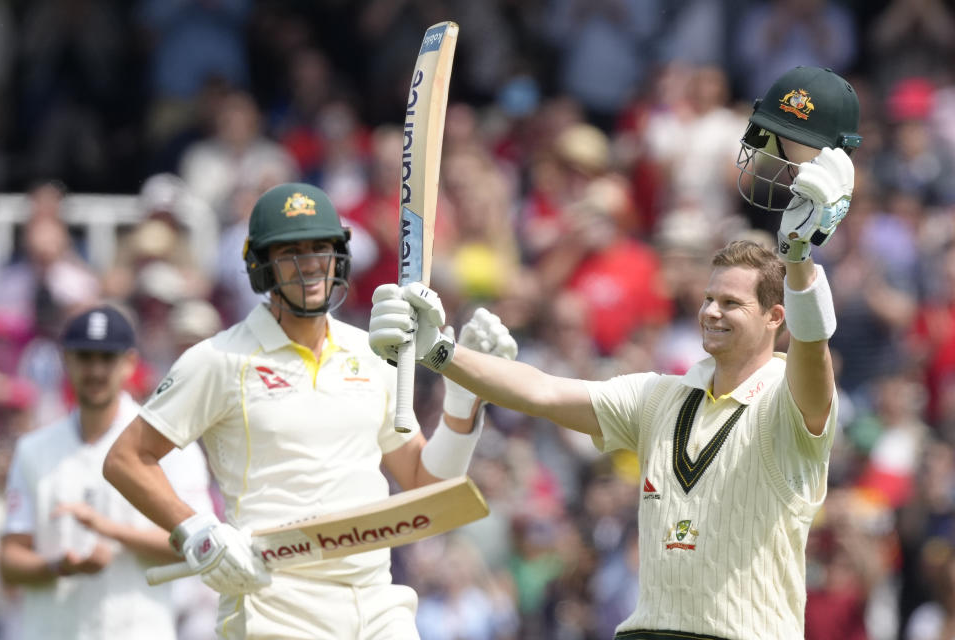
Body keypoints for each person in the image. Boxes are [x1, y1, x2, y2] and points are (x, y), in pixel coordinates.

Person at [369, 66, 861, 640]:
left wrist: (798, 254)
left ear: (775, 319)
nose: (710, 312)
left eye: (731, 303)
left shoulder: (789, 402)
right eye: (707, 298)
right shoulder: (659, 397)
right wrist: (439, 352)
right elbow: (542, 391)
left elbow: (812, 352)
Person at [101, 182, 517, 640]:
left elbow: (426, 483)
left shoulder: (371, 352)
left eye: (320, 247)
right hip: (274, 604)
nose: (310, 264)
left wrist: (462, 396)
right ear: (260, 266)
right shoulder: (218, 360)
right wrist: (197, 531)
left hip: (378, 601)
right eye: (290, 252)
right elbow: (126, 458)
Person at [0, 304, 214, 640]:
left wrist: (110, 530)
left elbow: (201, 543)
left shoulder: (170, 445)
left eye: (106, 358)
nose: (96, 370)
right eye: (85, 357)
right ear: (66, 360)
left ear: (129, 363)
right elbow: (10, 561)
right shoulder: (33, 449)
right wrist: (60, 566)